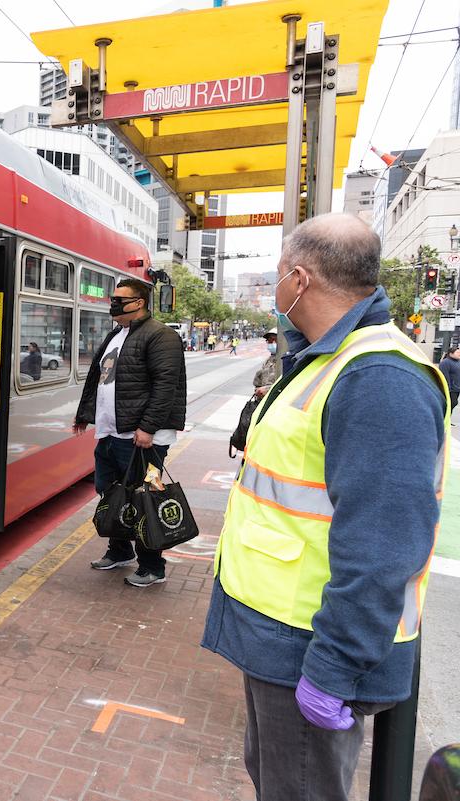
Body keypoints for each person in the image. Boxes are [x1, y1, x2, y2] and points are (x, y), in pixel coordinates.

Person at [202, 214, 449, 801]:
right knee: (277, 780)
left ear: (299, 279)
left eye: (276, 275)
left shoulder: (378, 377)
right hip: (282, 640)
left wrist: (333, 670)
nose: (273, 290)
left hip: (309, 652)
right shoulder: (325, 358)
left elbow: (385, 546)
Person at [73, 278, 186, 587]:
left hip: (142, 438)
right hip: (112, 433)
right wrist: (86, 415)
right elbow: (102, 379)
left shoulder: (161, 336)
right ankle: (120, 550)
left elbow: (166, 385)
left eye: (120, 299)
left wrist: (147, 427)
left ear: (139, 302)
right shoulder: (116, 335)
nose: (114, 303)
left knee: (143, 499)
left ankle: (152, 566)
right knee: (112, 495)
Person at [252, 328, 281, 398]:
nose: (272, 343)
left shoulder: (286, 360)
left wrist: (267, 390)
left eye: (275, 340)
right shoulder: (268, 360)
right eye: (269, 341)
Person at [439, 345, 460, 417]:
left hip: (457, 387)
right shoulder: (445, 363)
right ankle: (444, 419)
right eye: (457, 352)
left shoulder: (458, 362)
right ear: (451, 353)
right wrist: (447, 388)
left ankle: (447, 419)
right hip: (450, 389)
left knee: (453, 404)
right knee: (452, 403)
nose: (459, 353)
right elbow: (445, 376)